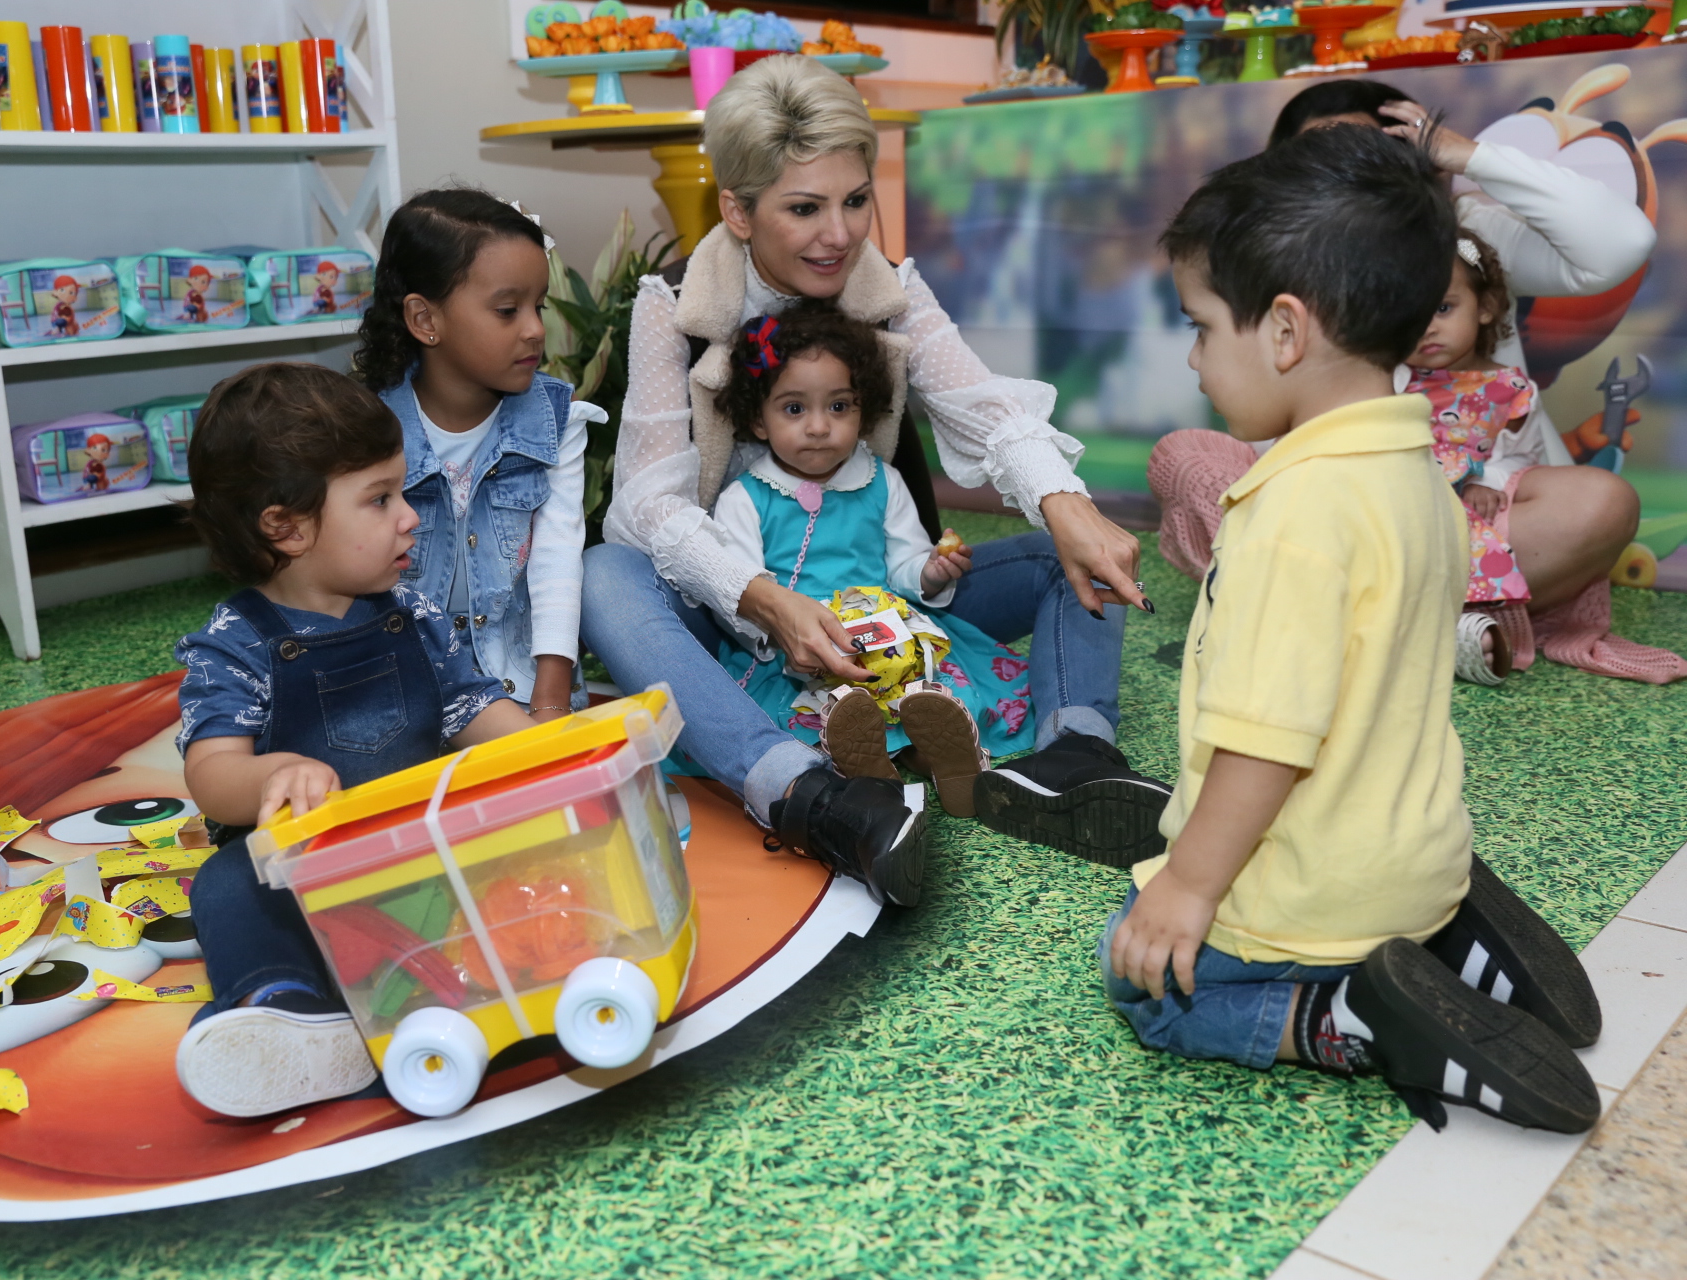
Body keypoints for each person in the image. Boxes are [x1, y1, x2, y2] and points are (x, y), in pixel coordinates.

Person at [1101, 124, 1601, 1134]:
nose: (1194, 356)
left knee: (1144, 984)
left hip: (1307, 888)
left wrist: (1188, 888)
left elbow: (1265, 737)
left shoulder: (1294, 513)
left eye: (1200, 325)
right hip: (1417, 847)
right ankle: (1447, 927)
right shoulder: (1419, 476)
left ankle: (1354, 1012)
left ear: (1285, 332)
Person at [582, 56, 1170, 901]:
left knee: (1064, 554)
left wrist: (1064, 501)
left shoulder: (892, 291)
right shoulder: (671, 305)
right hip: (733, 603)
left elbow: (983, 405)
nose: (839, 234)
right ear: (738, 212)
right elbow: (646, 501)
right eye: (804, 208)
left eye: (856, 200)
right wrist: (756, 595)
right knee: (607, 572)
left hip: (886, 587)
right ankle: (804, 792)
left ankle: (1071, 759)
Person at [1152, 79, 1683, 684]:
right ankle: (1423, 623)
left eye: (1366, 156)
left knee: (1603, 501)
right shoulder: (1275, 265)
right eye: (1321, 164)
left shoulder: (1455, 241)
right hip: (1334, 517)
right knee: (1188, 460)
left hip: (1463, 516)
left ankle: (1389, 622)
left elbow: (1623, 241)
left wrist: (1467, 156)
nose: (1347, 179)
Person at [172, 361, 537, 1118]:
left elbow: (474, 708)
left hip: (420, 849)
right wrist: (271, 774)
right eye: (380, 499)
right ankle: (286, 1009)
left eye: (401, 491)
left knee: (517, 840)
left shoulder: (412, 608)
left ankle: (489, 972)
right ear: (288, 527)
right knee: (225, 885)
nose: (410, 516)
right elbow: (210, 771)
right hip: (303, 877)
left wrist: (549, 752)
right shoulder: (232, 642)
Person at [707, 300, 1029, 824]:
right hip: (804, 646)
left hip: (885, 631)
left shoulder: (882, 481)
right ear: (757, 421)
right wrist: (783, 635)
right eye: (794, 408)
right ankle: (870, 760)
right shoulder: (745, 498)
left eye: (839, 407)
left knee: (930, 683)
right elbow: (744, 595)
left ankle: (941, 758)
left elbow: (904, 561)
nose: (818, 427)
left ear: (863, 410)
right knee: (816, 707)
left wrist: (929, 571)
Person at [350, 188, 598, 719]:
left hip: (517, 682)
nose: (534, 329)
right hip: (400, 683)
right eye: (507, 310)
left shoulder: (557, 423)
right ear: (424, 320)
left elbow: (556, 562)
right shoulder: (360, 431)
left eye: (539, 307)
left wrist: (550, 704)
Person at [1403, 231, 1536, 683]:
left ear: (1485, 306)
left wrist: (1489, 480)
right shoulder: (1392, 378)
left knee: (1461, 545)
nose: (1426, 326)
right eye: (1408, 312)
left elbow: (1523, 457)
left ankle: (1455, 628)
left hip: (1459, 505)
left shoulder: (1509, 390)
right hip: (1397, 490)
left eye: (1443, 308)